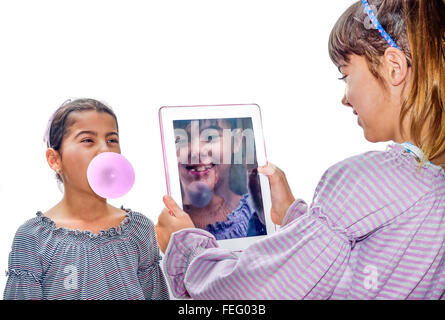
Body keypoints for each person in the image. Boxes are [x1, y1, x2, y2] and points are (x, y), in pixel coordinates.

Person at [155, 0, 445, 299]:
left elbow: (249, 295)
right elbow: (360, 272)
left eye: (345, 75)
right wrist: (294, 215)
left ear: (394, 68)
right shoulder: (431, 182)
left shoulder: (367, 179)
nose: (345, 97)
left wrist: (185, 246)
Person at [4, 98, 169, 300]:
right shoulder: (33, 237)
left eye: (112, 140)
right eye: (88, 140)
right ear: (54, 159)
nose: (104, 150)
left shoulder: (139, 229)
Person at [174, 118, 266, 240]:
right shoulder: (164, 225)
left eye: (211, 137)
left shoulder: (258, 212)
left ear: (236, 141)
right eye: (181, 140)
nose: (196, 151)